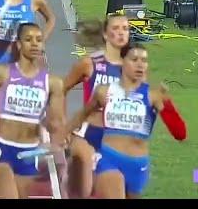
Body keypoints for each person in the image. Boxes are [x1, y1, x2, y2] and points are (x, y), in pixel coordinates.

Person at [0, 23, 67, 199]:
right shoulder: (1, 73)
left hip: (30, 153)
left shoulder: (53, 83)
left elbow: (56, 122)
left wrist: (59, 136)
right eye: (29, 39)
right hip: (3, 149)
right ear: (18, 44)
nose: (34, 44)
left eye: (39, 40)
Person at [66, 43, 187, 198]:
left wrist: (167, 103)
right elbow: (82, 114)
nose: (140, 64)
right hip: (109, 158)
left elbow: (180, 133)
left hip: (138, 166)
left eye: (144, 60)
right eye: (134, 59)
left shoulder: (153, 96)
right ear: (122, 62)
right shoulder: (105, 91)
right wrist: (64, 133)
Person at [61, 13, 130, 198]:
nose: (122, 33)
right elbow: (62, 88)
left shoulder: (131, 69)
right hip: (88, 134)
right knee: (85, 190)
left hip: (115, 139)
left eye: (126, 29)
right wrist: (63, 125)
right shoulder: (88, 64)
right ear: (106, 35)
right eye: (116, 29)